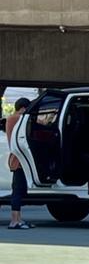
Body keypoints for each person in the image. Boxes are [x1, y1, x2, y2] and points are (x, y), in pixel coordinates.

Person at [6, 98, 33, 230]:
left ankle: (18, 219)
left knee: (18, 189)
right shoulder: (17, 118)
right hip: (19, 160)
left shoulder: (11, 118)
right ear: (23, 108)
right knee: (17, 190)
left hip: (17, 159)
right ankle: (14, 221)